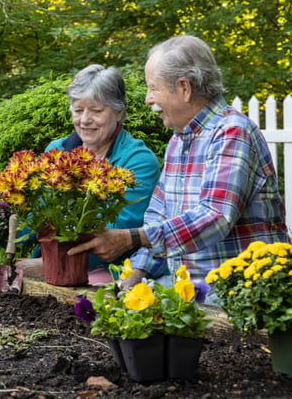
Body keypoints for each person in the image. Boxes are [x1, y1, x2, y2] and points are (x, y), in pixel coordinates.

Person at [69, 35, 290, 290]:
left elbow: (214, 217)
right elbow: (157, 217)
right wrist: (133, 278)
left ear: (184, 88)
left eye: (154, 88)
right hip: (190, 291)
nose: (148, 99)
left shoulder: (231, 132)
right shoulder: (179, 139)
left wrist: (132, 239)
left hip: (241, 294)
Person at [18, 64, 160, 274]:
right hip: (49, 263)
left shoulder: (138, 160)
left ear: (119, 112)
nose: (85, 120)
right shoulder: (56, 150)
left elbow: (116, 231)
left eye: (96, 111)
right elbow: (35, 215)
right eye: (78, 110)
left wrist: (52, 264)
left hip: (110, 271)